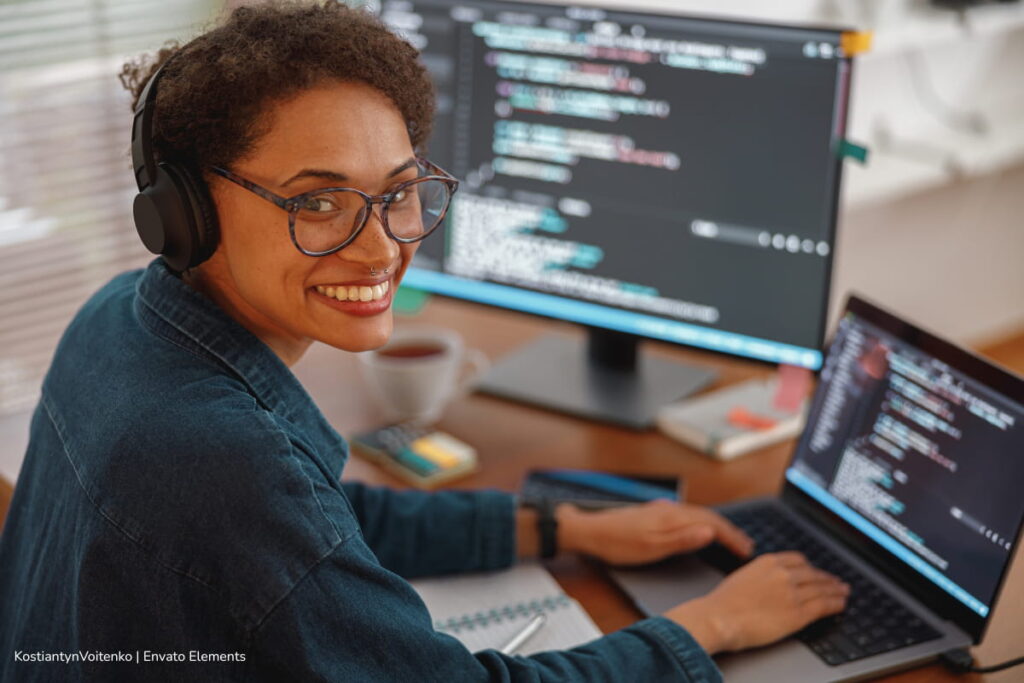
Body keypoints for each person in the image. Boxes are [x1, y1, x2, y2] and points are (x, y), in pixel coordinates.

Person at [0, 3, 849, 681]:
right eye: (317, 203)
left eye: (399, 192)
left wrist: (564, 528)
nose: (382, 247)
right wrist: (715, 622)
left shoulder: (120, 319)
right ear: (183, 215)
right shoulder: (224, 453)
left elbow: (319, 524)